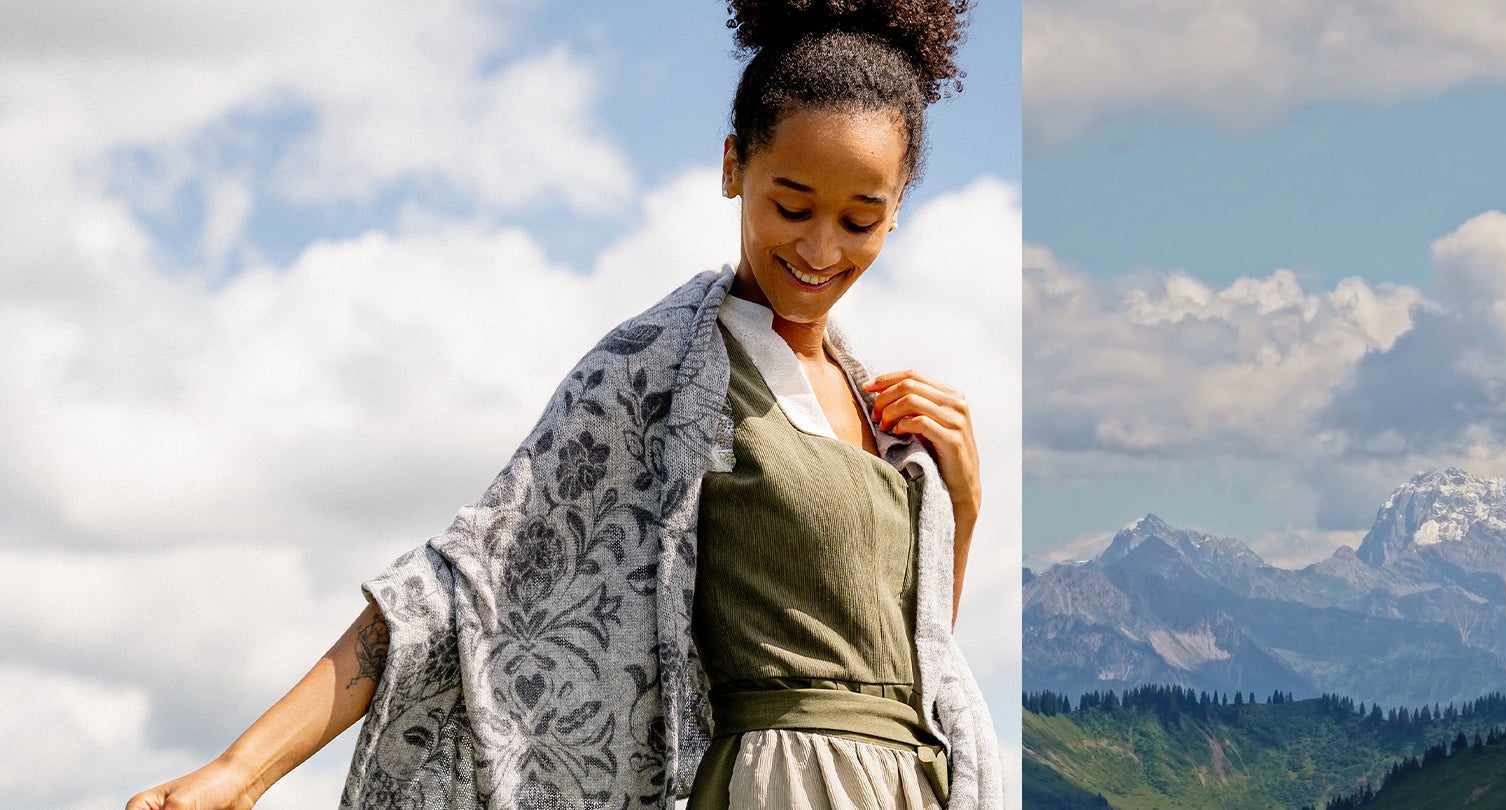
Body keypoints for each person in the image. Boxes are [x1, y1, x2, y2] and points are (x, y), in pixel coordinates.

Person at [124, 1, 1002, 807]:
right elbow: (456, 585)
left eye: (859, 220)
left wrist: (960, 502)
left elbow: (913, 663)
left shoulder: (877, 407)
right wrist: (240, 772)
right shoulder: (659, 370)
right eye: (793, 205)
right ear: (734, 166)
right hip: (780, 785)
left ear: (896, 212)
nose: (820, 247)